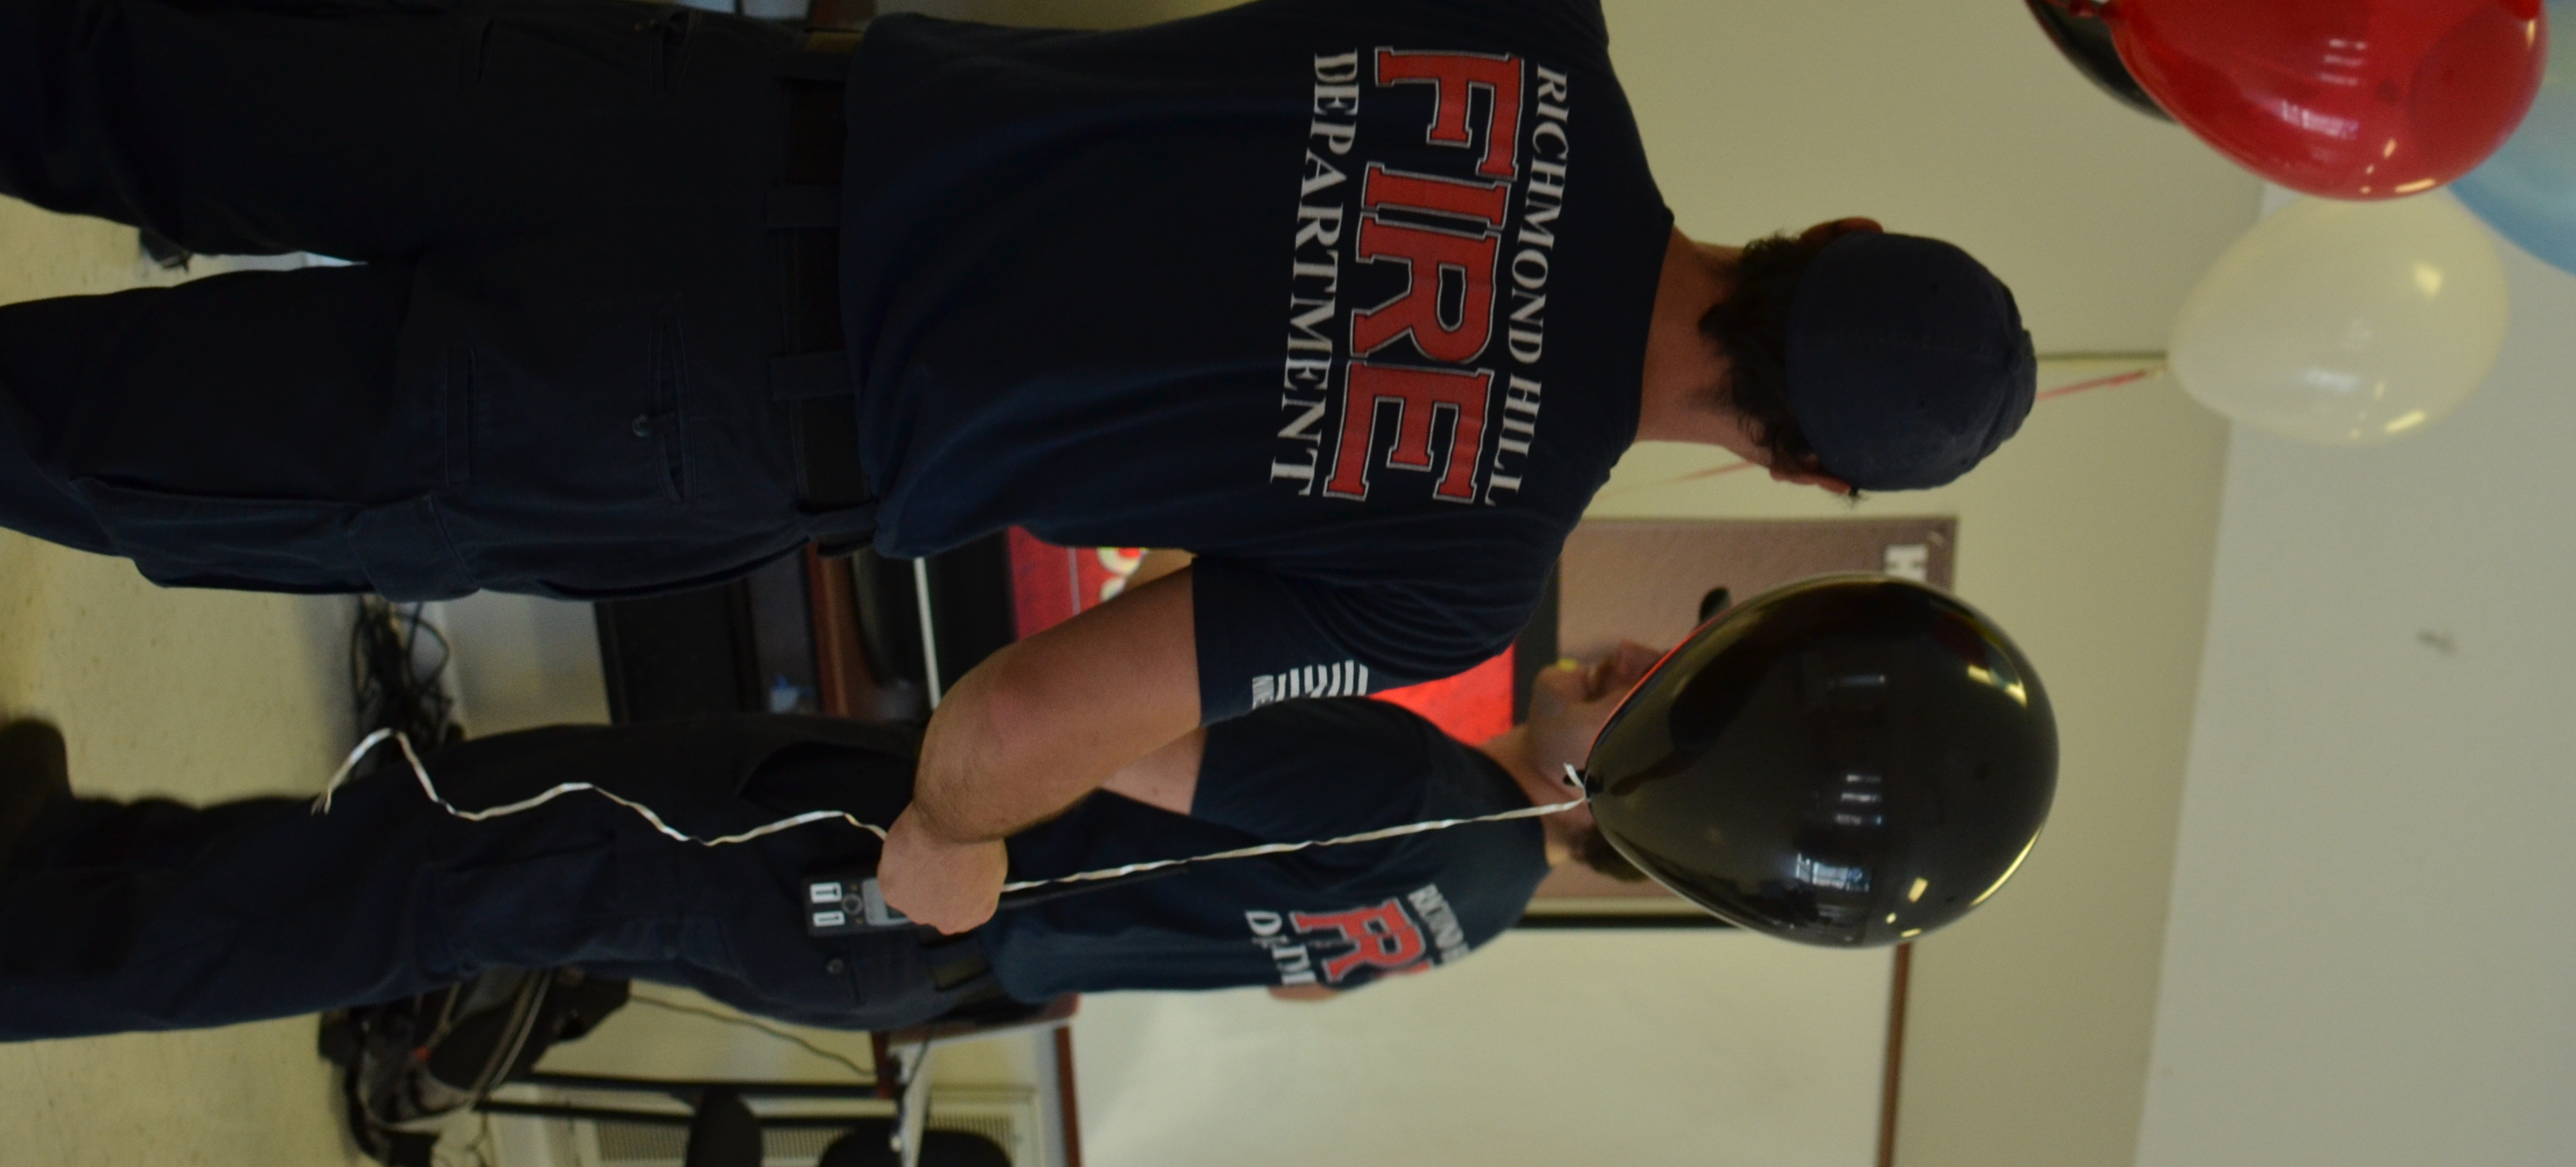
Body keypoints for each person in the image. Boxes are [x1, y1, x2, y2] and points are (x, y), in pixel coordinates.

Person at [0, 0, 2037, 933]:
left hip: (677, 132)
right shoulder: (1454, 575)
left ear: (1831, 226)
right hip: (691, 425)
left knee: (108, 78)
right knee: (85, 429)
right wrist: (950, 843)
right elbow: (1008, 731)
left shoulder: (1529, 38)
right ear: (1801, 468)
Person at [0, 640, 1668, 1040]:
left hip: (879, 858)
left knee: (448, 874)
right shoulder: (1488, 894)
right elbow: (1292, 985)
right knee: (445, 855)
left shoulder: (1427, 795)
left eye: (1663, 695)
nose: (1639, 656)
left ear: (1626, 800)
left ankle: (42, 947)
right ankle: (74, 858)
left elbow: (1109, 741)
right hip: (915, 957)